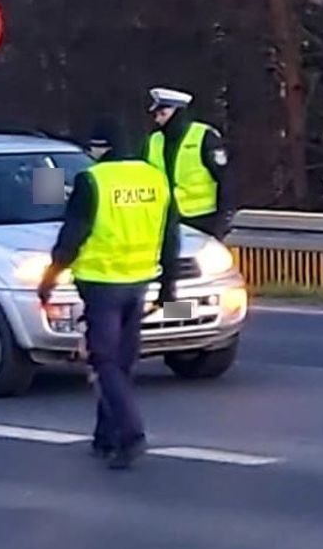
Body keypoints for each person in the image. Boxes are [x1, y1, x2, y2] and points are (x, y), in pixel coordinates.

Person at [38, 119, 179, 470]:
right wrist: (169, 287)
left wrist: (49, 279)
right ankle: (105, 435)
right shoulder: (155, 179)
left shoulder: (93, 180)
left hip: (102, 285)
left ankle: (131, 435)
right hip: (140, 282)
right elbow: (170, 237)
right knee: (122, 362)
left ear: (103, 147)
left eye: (93, 147)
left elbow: (72, 236)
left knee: (103, 361)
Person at [144, 87, 233, 239]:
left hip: (203, 219)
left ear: (178, 113)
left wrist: (223, 219)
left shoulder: (204, 136)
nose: (158, 119)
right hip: (166, 217)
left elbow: (225, 179)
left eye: (163, 114)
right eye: (156, 114)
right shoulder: (154, 140)